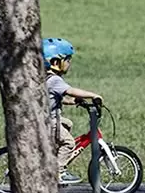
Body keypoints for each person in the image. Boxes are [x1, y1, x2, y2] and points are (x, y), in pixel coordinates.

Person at [43, 37, 103, 185]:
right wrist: (93, 95)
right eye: (67, 60)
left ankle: (51, 158)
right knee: (69, 143)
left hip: (46, 119)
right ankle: (59, 171)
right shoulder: (55, 80)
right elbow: (70, 90)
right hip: (50, 121)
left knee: (67, 124)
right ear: (55, 62)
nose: (69, 64)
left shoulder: (44, 79)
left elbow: (54, 98)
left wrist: (71, 102)